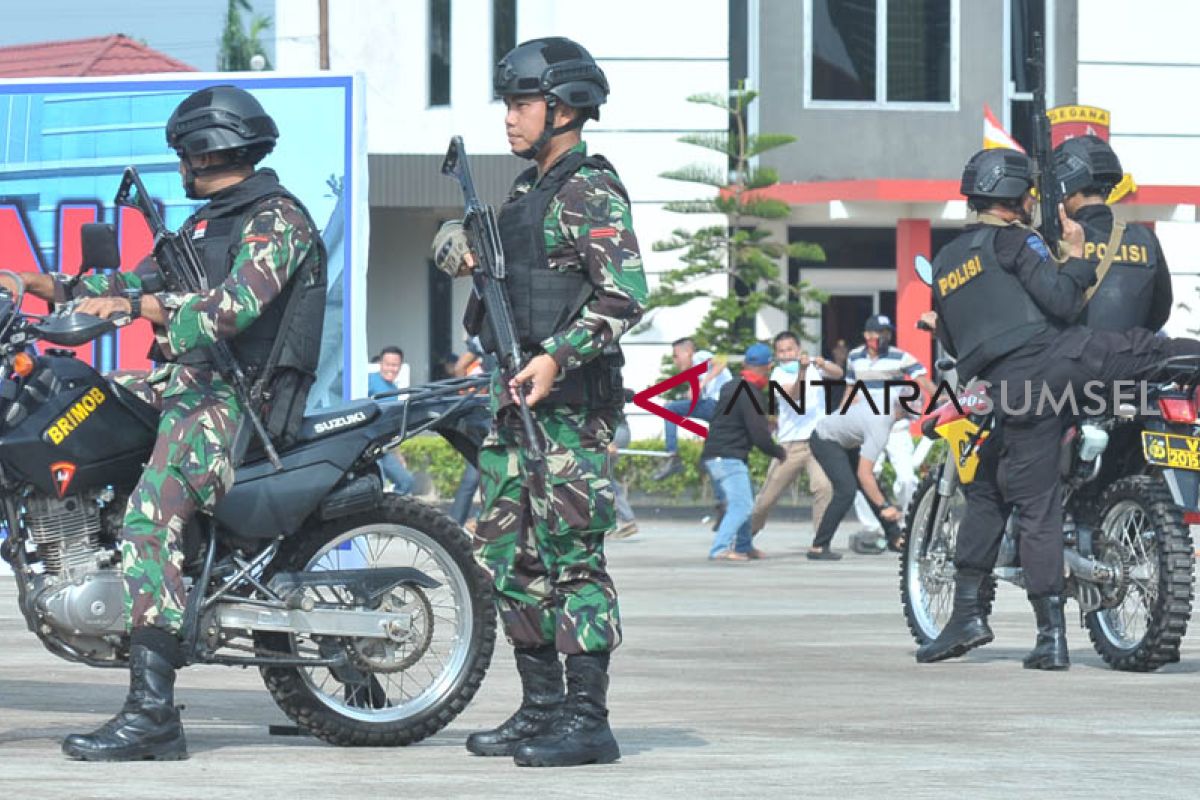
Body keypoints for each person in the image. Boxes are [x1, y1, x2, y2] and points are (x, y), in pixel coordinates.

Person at [0, 85, 327, 760]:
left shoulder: (276, 219)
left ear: (206, 150)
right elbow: (119, 287)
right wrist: (29, 285)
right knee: (71, 412)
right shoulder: (205, 225)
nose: (178, 163)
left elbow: (231, 309)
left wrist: (139, 307)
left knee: (150, 517)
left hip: (237, 401)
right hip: (183, 385)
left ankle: (154, 716)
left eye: (183, 151)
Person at [431, 36, 646, 767]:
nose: (510, 118)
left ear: (563, 108)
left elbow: (626, 297)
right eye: (510, 104)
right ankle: (542, 708)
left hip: (568, 410)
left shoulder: (592, 189)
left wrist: (559, 356)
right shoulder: (528, 195)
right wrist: (462, 253)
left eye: (521, 104)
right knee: (508, 559)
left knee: (571, 559)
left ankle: (589, 719)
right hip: (512, 406)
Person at [915, 148, 1200, 670]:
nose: (1032, 201)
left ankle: (992, 622)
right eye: (1028, 194)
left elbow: (956, 344)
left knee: (997, 492)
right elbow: (1065, 303)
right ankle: (1032, 634)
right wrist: (1077, 253)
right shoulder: (1017, 240)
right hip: (1062, 363)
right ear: (1014, 199)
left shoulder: (945, 263)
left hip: (1012, 391)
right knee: (1155, 350)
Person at [1055, 135, 1173, 332]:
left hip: (1070, 358)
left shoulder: (1055, 237)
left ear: (1066, 188)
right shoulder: (1145, 239)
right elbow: (1160, 309)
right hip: (1131, 357)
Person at [846, 315, 937, 550]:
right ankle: (872, 528)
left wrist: (941, 396)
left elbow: (922, 379)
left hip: (896, 428)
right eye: (879, 333)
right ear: (868, 336)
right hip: (868, 428)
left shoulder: (900, 357)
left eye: (887, 333)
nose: (884, 337)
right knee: (866, 477)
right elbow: (850, 388)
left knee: (907, 478)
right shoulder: (854, 357)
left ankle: (910, 523)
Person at [749, 331, 838, 546]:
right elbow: (795, 395)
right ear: (777, 355)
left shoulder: (813, 367)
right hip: (791, 445)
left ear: (798, 349)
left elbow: (838, 373)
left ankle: (820, 543)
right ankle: (744, 537)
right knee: (767, 499)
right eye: (781, 351)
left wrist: (822, 363)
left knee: (824, 488)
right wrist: (802, 371)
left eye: (790, 349)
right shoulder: (778, 376)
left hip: (817, 440)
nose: (786, 354)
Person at [701, 343, 787, 561]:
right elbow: (758, 433)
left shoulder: (732, 386)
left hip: (718, 454)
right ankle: (720, 548)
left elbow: (741, 422)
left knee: (745, 499)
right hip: (728, 456)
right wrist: (778, 451)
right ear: (767, 367)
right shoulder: (750, 392)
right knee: (742, 504)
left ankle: (744, 545)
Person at [807, 396, 906, 561]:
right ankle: (818, 546)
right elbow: (864, 474)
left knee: (871, 487)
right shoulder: (881, 425)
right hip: (825, 440)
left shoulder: (884, 402)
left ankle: (895, 538)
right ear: (902, 415)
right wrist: (884, 506)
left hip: (844, 441)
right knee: (846, 490)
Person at [651, 337, 732, 480]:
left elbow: (721, 361)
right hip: (724, 412)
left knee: (669, 409)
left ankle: (672, 455)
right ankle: (724, 500)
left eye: (676, 356)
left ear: (688, 352)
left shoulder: (699, 356)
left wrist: (702, 384)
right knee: (709, 459)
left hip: (718, 405)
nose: (675, 361)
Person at [449, 338, 491, 528]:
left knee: (475, 474)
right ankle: (478, 522)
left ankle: (455, 525)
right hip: (498, 412)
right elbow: (460, 367)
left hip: (486, 411)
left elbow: (459, 367)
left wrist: (466, 398)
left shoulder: (486, 333)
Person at [367, 346, 414, 494]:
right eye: (388, 364)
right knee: (377, 485)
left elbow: (391, 425)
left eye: (395, 365)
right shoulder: (368, 381)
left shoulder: (395, 389)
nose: (391, 369)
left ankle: (391, 513)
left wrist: (398, 454)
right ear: (380, 363)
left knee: (406, 482)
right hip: (366, 447)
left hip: (384, 447)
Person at [606, 420, 639, 539]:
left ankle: (626, 519)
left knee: (604, 478)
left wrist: (610, 441)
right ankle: (619, 521)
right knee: (605, 478)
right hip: (614, 430)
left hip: (615, 429)